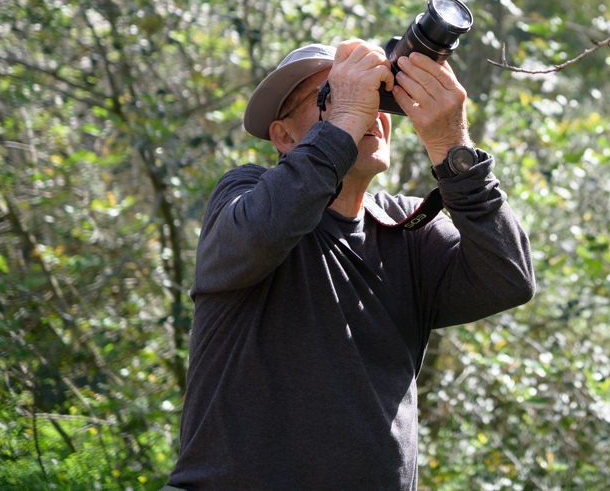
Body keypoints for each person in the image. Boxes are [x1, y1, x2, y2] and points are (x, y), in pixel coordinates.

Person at [163, 39, 535, 490]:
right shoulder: (243, 195)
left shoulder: (406, 230)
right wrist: (344, 122)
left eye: (376, 97)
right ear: (283, 137)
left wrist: (451, 144)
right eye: (335, 95)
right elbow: (261, 234)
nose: (367, 112)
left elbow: (508, 278)